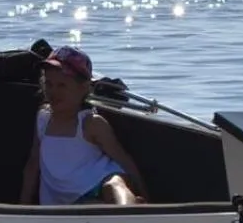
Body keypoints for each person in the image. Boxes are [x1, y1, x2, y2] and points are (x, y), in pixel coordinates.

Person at [20, 45, 148, 205]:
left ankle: (129, 211)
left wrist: (145, 193)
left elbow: (124, 161)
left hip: (98, 183)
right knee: (93, 206)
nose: (53, 91)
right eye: (49, 84)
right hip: (65, 200)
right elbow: (33, 164)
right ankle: (123, 207)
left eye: (62, 85)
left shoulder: (91, 123)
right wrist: (24, 205)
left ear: (83, 88)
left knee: (114, 183)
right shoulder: (43, 119)